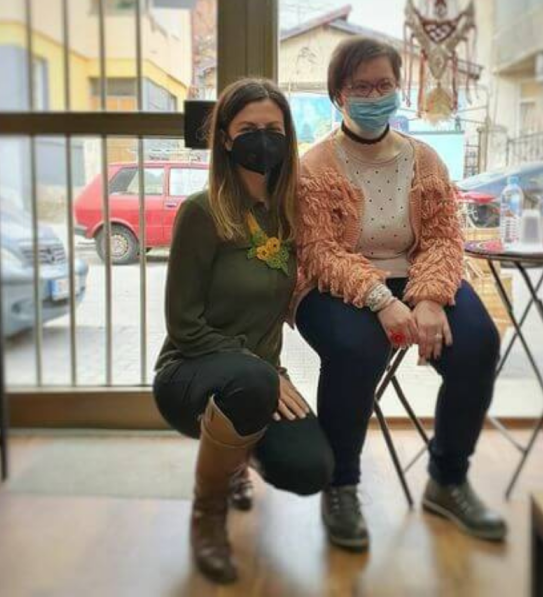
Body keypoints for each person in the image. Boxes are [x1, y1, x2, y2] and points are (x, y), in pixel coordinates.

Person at [293, 36, 507, 552]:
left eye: (384, 85)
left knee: (478, 343)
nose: (375, 96)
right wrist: (381, 300)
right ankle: (341, 486)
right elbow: (319, 252)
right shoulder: (314, 166)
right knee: (356, 348)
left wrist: (429, 297)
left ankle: (447, 481)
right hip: (336, 283)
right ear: (338, 96)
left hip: (414, 275)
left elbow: (443, 239)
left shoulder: (424, 160)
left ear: (398, 88)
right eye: (361, 87)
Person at [154, 78, 334, 584]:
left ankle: (233, 456)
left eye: (274, 129)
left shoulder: (289, 213)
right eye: (249, 128)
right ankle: (207, 514)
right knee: (251, 383)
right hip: (190, 373)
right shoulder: (201, 213)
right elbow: (183, 325)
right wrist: (262, 373)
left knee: (311, 468)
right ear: (225, 139)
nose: (263, 139)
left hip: (256, 379)